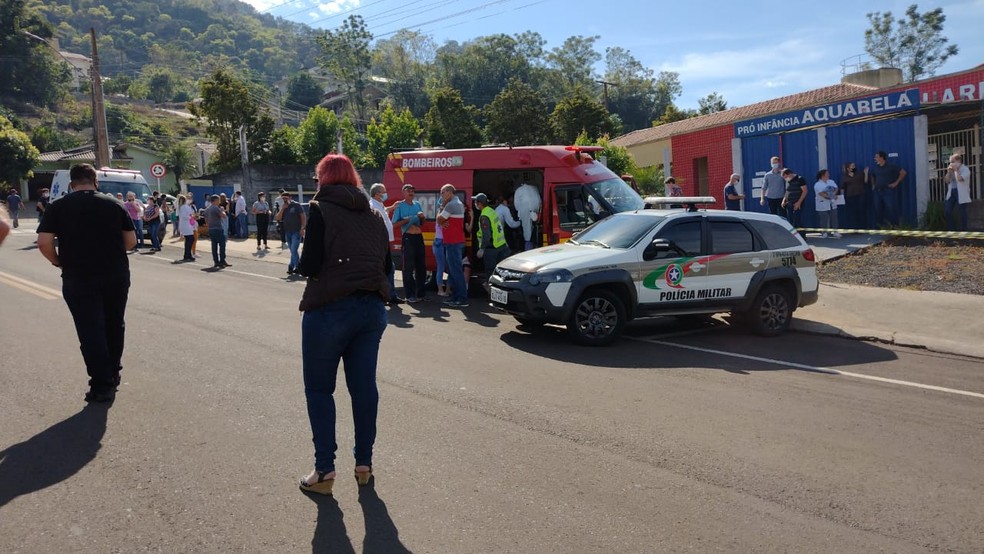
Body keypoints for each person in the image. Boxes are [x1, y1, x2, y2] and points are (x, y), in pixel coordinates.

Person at [296, 153, 389, 496]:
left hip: (330, 308)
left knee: (320, 390)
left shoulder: (320, 209)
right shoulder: (374, 215)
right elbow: (386, 265)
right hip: (372, 309)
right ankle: (364, 463)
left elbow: (308, 265)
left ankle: (324, 470)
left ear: (323, 179)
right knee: (364, 388)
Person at [36, 164, 136, 403]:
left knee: (90, 329)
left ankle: (101, 385)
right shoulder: (115, 204)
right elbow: (131, 241)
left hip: (78, 276)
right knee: (114, 324)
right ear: (96, 182)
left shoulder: (58, 206)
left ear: (72, 184)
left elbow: (44, 242)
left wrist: (58, 262)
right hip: (115, 274)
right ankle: (113, 372)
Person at [391, 184, 427, 302]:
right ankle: (410, 295)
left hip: (419, 237)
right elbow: (394, 224)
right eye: (408, 190)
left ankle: (421, 294)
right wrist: (407, 220)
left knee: (421, 266)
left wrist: (422, 217)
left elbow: (422, 223)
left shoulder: (417, 204)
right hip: (408, 238)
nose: (411, 192)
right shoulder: (400, 206)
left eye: (413, 190)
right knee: (408, 267)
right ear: (403, 193)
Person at [368, 183, 400, 305]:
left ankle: (390, 295)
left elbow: (384, 211)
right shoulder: (372, 206)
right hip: (379, 242)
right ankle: (386, 296)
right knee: (387, 268)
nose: (386, 194)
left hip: (384, 241)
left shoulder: (379, 204)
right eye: (383, 192)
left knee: (389, 268)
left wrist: (392, 207)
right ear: (377, 194)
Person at [437, 184, 468, 308]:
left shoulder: (451, 204)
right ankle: (456, 297)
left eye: (442, 192)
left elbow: (439, 219)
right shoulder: (457, 203)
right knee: (454, 271)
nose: (441, 195)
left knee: (456, 271)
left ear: (449, 192)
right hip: (454, 241)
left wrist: (441, 208)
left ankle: (461, 298)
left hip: (453, 242)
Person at [473, 193, 509, 282]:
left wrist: (482, 249)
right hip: (501, 245)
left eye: (476, 202)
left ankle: (491, 289)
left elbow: (487, 235)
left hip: (491, 248)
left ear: (480, 203)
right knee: (500, 272)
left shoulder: (484, 216)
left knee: (491, 272)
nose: (475, 204)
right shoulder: (491, 211)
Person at [867, 150, 906, 227]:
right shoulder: (876, 168)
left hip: (888, 191)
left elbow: (903, 172)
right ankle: (881, 227)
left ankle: (895, 226)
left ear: (882, 158)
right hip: (877, 192)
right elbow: (872, 176)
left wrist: (896, 183)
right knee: (877, 209)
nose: (875, 158)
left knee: (891, 209)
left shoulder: (891, 166)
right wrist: (873, 185)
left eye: (877, 157)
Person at [277, 192, 306, 275]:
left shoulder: (296, 205)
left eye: (286, 198)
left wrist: (302, 228)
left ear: (290, 197)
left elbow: (303, 217)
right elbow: (278, 217)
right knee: (293, 251)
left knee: (293, 249)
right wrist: (282, 209)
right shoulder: (284, 207)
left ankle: (292, 266)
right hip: (287, 232)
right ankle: (296, 267)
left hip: (296, 231)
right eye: (283, 198)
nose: (285, 200)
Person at [944, 153, 972, 231]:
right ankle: (952, 229)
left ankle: (964, 230)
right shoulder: (951, 170)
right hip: (951, 192)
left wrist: (956, 170)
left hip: (961, 193)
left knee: (962, 212)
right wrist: (948, 172)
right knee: (947, 211)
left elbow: (959, 179)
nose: (951, 164)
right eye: (950, 162)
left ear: (958, 161)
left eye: (953, 162)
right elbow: (946, 181)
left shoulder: (965, 169)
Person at [512, 183, 541, 251]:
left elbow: (516, 205)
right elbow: (539, 202)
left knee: (526, 230)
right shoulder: (533, 189)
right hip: (534, 212)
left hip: (524, 211)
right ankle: (530, 245)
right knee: (531, 230)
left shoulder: (519, 190)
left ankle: (527, 246)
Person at [204, 194, 230, 269]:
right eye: (218, 200)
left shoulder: (207, 209)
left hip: (211, 228)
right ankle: (222, 260)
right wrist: (222, 210)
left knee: (214, 245)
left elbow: (206, 220)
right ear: (215, 200)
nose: (219, 202)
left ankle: (216, 261)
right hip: (218, 228)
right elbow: (223, 216)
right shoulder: (216, 208)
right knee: (222, 245)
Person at [814, 169, 841, 238]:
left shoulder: (831, 181)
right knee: (824, 218)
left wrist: (833, 195)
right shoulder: (817, 184)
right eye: (827, 174)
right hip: (822, 203)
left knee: (834, 217)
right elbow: (821, 193)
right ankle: (824, 233)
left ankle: (835, 232)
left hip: (832, 203)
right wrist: (831, 196)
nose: (829, 175)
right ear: (823, 175)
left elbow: (836, 188)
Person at [841, 161, 866, 230]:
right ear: (848, 168)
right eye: (852, 166)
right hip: (851, 196)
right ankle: (854, 228)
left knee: (861, 211)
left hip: (860, 195)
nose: (854, 167)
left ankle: (862, 228)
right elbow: (842, 187)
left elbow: (865, 181)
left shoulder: (859, 174)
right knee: (853, 213)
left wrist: (866, 173)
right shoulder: (845, 177)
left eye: (854, 166)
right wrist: (841, 197)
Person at [177, 194, 197, 262]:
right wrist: (191, 217)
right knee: (190, 239)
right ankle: (187, 255)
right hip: (186, 225)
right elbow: (185, 216)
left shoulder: (181, 207)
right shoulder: (184, 207)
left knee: (188, 240)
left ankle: (188, 254)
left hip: (185, 225)